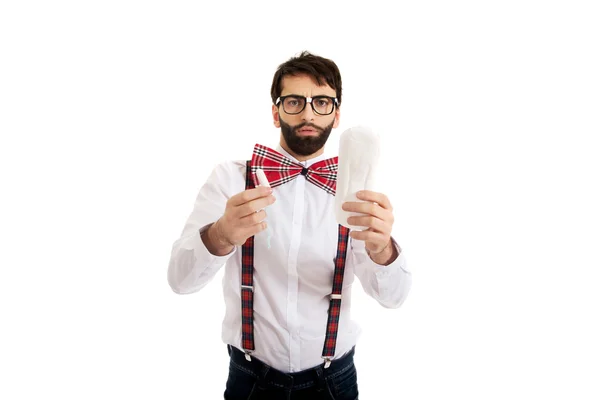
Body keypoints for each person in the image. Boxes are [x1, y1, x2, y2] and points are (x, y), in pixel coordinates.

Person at [167, 51, 412, 400]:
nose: (309, 113)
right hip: (250, 379)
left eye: (322, 102)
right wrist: (220, 235)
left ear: (337, 114)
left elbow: (394, 298)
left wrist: (382, 250)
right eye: (295, 101)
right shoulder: (229, 178)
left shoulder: (356, 192)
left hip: (334, 382)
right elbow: (179, 281)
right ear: (275, 111)